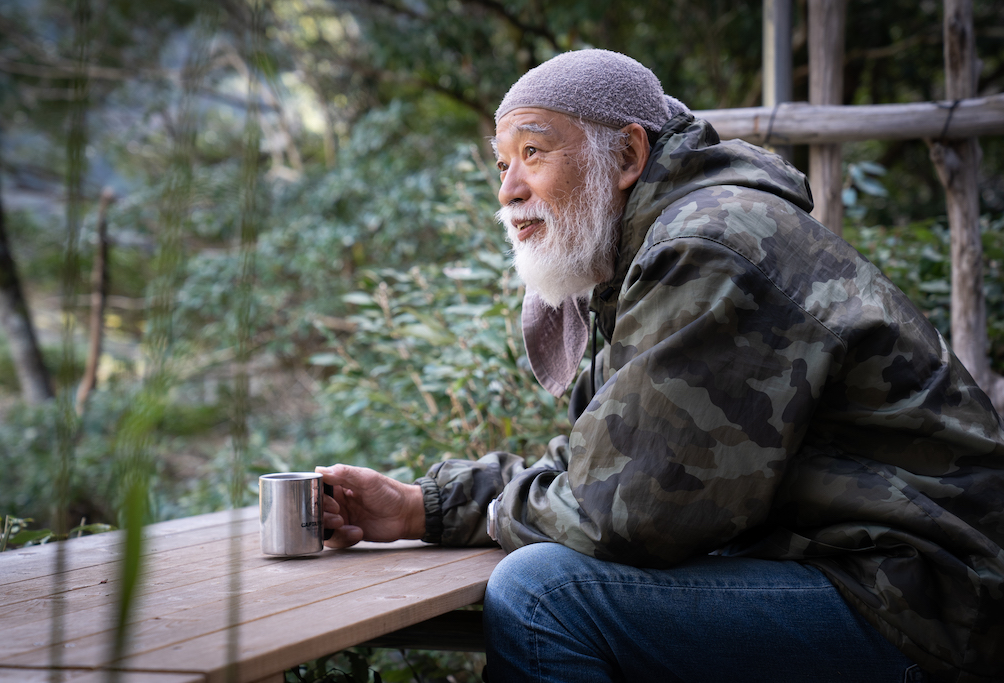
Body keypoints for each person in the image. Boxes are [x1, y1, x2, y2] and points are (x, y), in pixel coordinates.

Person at [316, 50, 1004, 683]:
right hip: (877, 578)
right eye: (502, 164)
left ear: (627, 155)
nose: (509, 190)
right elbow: (607, 466)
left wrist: (489, 510)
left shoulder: (710, 246)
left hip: (930, 603)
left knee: (542, 595)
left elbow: (626, 511)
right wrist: (421, 507)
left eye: (533, 152)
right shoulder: (659, 248)